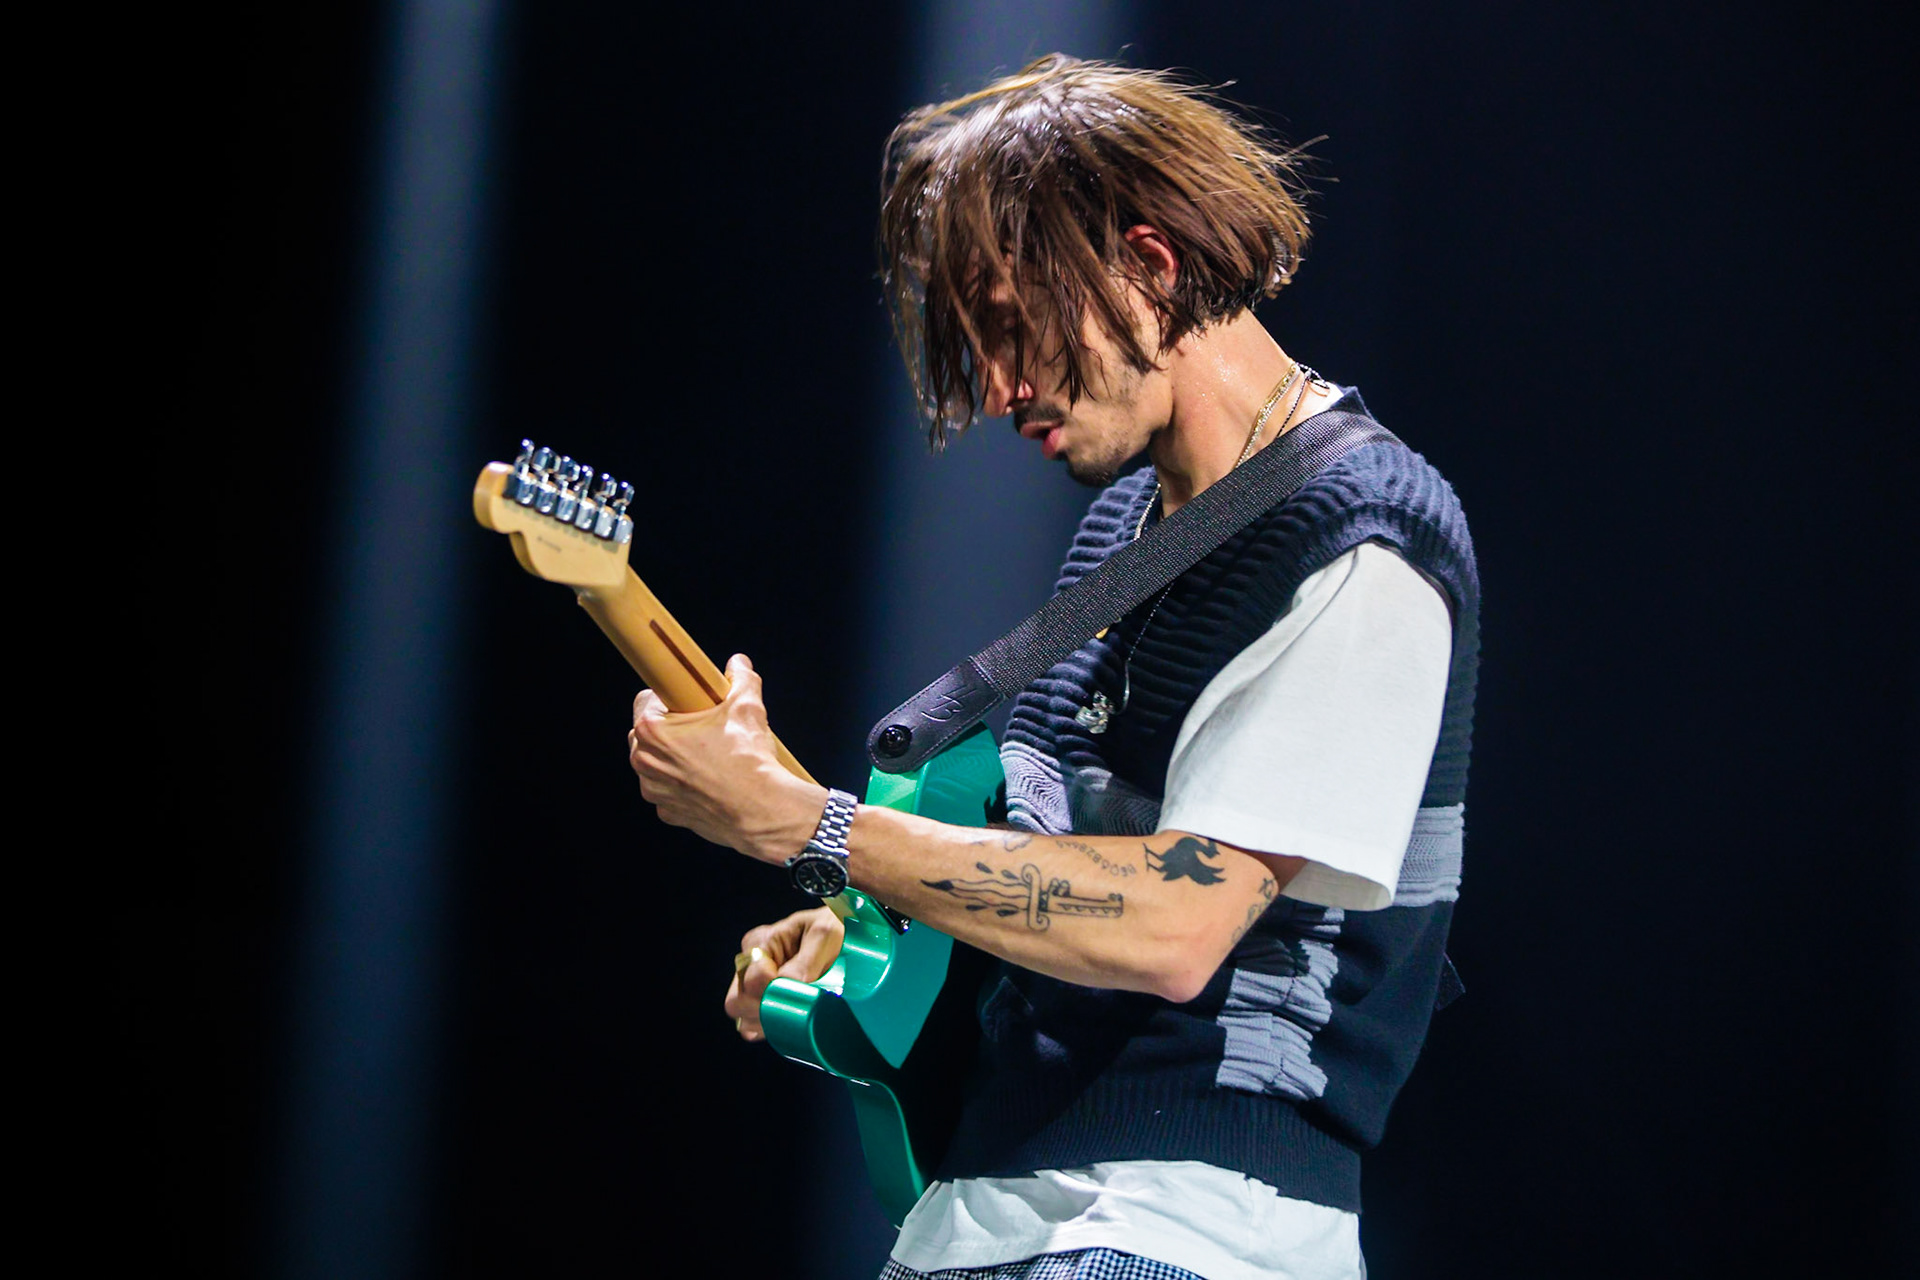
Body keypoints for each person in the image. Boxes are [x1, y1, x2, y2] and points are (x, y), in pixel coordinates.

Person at [627, 56, 1479, 1280]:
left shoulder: (1364, 538)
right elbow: (1064, 870)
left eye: (1014, 328)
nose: (997, 388)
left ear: (1150, 264)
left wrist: (809, 825)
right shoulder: (1125, 527)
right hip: (992, 1212)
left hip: (1185, 1232)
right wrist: (877, 919)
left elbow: (1181, 917)